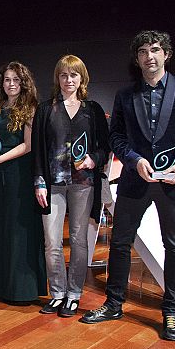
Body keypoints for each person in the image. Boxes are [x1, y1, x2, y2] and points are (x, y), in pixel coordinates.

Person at [81, 30, 175, 341]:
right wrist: (135, 160)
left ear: (166, 54)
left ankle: (171, 313)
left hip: (174, 182)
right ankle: (114, 304)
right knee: (120, 243)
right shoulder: (126, 95)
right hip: (134, 180)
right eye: (142, 51)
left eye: (155, 50)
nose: (148, 56)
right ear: (137, 58)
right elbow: (117, 137)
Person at [32, 55, 110, 318]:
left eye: (74, 75)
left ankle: (74, 294)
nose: (68, 80)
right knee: (52, 241)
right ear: (58, 78)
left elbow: (105, 148)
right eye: (64, 75)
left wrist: (93, 159)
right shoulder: (45, 110)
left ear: (82, 79)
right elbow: (38, 152)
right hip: (52, 185)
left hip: (84, 184)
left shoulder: (93, 110)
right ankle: (57, 293)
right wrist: (39, 182)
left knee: (78, 241)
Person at [0, 61, 46, 303]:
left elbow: (28, 145)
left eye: (16, 80)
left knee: (18, 231)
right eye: (7, 79)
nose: (11, 84)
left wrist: (0, 158)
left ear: (23, 82)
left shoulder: (30, 108)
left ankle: (20, 289)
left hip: (18, 175)